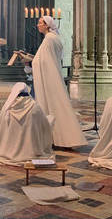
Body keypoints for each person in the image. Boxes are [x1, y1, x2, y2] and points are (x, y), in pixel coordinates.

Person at [32, 16, 87, 148]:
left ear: (47, 25)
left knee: (52, 106)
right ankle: (59, 138)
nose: (37, 25)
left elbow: (43, 62)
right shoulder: (54, 38)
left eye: (40, 23)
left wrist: (30, 62)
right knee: (58, 106)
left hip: (49, 79)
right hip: (53, 77)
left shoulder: (49, 40)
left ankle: (55, 138)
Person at [0, 82, 55, 166]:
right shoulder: (34, 107)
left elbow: (1, 129)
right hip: (31, 150)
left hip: (7, 150)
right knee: (50, 118)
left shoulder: (7, 107)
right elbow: (44, 125)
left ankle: (8, 150)